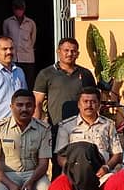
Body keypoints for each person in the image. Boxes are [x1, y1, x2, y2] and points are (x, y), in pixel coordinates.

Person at [33, 37, 97, 177]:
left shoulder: (86, 74)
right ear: (58, 51)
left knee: (83, 164)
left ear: (77, 54)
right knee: (59, 167)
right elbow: (37, 103)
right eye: (66, 50)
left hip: (82, 128)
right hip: (57, 128)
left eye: (73, 51)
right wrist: (36, 127)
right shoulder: (46, 74)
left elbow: (94, 100)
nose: (69, 54)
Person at [55, 86, 123, 178]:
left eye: (93, 102)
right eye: (85, 101)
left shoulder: (108, 124)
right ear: (79, 104)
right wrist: (73, 168)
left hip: (102, 173)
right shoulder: (66, 126)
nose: (89, 105)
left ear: (99, 104)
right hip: (75, 173)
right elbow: (60, 157)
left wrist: (107, 167)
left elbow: (117, 153)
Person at [2, 0, 37, 87]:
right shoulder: (7, 22)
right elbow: (5, 38)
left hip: (27, 58)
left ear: (24, 9)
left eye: (21, 9)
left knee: (28, 82)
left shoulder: (31, 23)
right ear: (13, 9)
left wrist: (27, 48)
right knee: (14, 81)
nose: (19, 11)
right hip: (13, 58)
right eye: (17, 9)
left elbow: (33, 39)